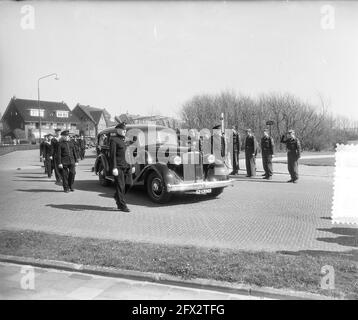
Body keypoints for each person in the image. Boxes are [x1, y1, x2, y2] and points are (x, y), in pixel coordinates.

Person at [109, 122, 133, 212]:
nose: (124, 131)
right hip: (118, 167)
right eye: (123, 130)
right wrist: (114, 167)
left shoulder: (126, 140)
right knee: (120, 186)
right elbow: (112, 155)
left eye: (125, 130)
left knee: (129, 184)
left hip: (127, 166)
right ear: (118, 130)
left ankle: (117, 196)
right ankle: (122, 205)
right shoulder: (114, 140)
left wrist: (132, 165)